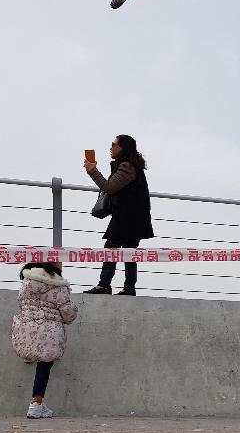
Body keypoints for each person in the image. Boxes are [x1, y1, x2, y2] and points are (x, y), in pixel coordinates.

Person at [83, 134, 154, 295]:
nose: (110, 148)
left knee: (111, 247)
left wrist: (92, 170)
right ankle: (129, 288)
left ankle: (104, 285)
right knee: (129, 251)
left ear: (122, 147)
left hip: (127, 217)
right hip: (134, 217)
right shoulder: (130, 166)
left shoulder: (127, 167)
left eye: (113, 144)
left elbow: (109, 187)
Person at [12, 261, 79, 418]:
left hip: (26, 329)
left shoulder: (27, 282)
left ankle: (29, 356)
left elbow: (21, 303)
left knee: (33, 352)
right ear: (55, 266)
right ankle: (36, 404)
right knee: (44, 364)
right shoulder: (58, 286)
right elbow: (69, 315)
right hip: (49, 332)